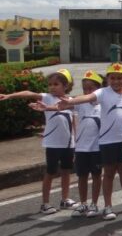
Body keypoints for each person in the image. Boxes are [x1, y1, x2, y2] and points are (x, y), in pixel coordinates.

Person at [58, 63, 122, 220]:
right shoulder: (103, 92)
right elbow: (88, 97)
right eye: (112, 78)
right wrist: (71, 102)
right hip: (107, 142)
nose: (116, 81)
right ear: (107, 79)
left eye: (120, 78)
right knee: (108, 175)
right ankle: (107, 206)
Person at [1, 69, 76, 214]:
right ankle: (45, 203)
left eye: (56, 84)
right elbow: (29, 93)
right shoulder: (47, 97)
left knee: (66, 171)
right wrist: (9, 95)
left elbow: (73, 122)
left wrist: (76, 140)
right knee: (50, 172)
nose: (52, 87)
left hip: (68, 143)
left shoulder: (71, 101)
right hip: (53, 143)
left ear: (66, 86)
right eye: (50, 84)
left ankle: (65, 199)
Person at [70, 71, 103, 218]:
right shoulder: (80, 103)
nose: (88, 92)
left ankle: (94, 204)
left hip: (97, 148)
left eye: (91, 88)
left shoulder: (104, 104)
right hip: (82, 147)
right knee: (82, 176)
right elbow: (64, 102)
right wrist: (47, 106)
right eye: (85, 89)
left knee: (96, 175)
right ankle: (83, 203)